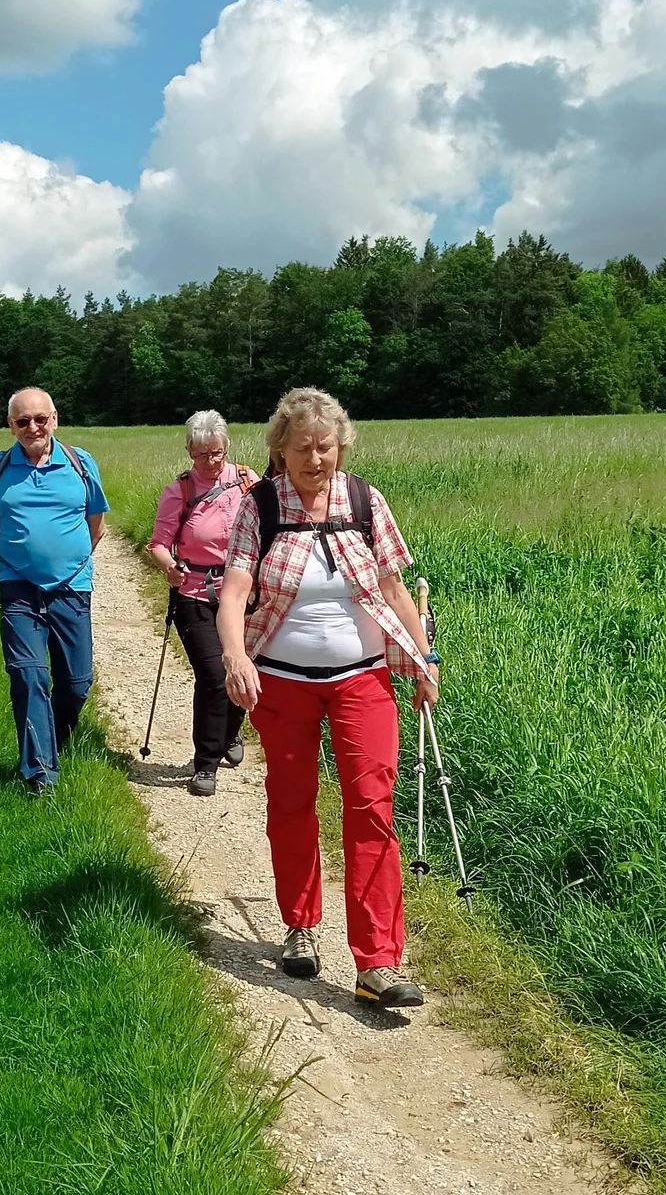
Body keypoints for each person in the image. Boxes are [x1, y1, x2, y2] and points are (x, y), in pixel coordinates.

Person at [217, 387, 440, 1009]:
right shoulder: (258, 506)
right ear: (279, 451)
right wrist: (235, 656)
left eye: (327, 447)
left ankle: (379, 962)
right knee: (291, 802)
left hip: (363, 679)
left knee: (371, 805)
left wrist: (422, 659)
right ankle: (299, 925)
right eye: (303, 449)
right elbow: (234, 592)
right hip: (282, 683)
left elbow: (395, 588)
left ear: (341, 446)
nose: (317, 460)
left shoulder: (367, 500)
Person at [0, 388, 109, 794]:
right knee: (28, 676)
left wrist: (71, 565)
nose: (33, 427)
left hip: (72, 589)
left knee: (77, 683)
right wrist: (14, 569)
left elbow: (96, 523)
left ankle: (56, 739)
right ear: (10, 426)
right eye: (22, 421)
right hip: (18, 592)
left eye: (40, 419)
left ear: (54, 419)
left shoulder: (81, 463)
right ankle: (40, 774)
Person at [144, 410, 258, 797]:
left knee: (245, 668)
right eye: (203, 455)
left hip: (242, 591)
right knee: (213, 676)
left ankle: (228, 733)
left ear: (227, 448)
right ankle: (205, 764)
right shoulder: (179, 491)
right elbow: (158, 543)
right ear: (189, 451)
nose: (211, 462)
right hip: (194, 592)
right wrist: (169, 568)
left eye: (218, 453)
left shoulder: (247, 481)